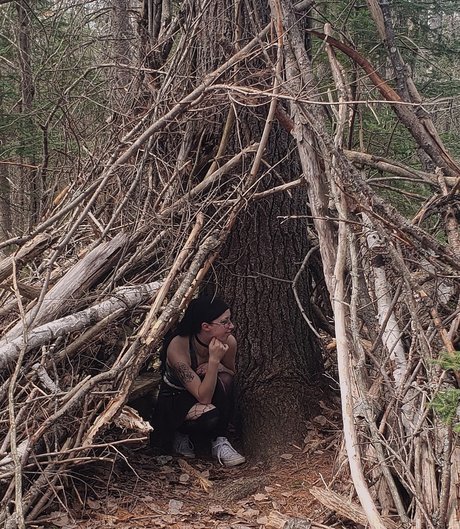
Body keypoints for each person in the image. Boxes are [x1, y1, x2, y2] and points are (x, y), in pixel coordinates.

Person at [150, 295, 246, 467]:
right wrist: (214, 361)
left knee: (226, 380)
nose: (231, 326)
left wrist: (218, 367)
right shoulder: (178, 346)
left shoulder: (228, 342)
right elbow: (204, 398)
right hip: (176, 398)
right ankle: (179, 433)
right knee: (209, 416)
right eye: (224, 322)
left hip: (205, 391)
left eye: (230, 320)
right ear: (205, 326)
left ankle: (219, 440)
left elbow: (231, 371)